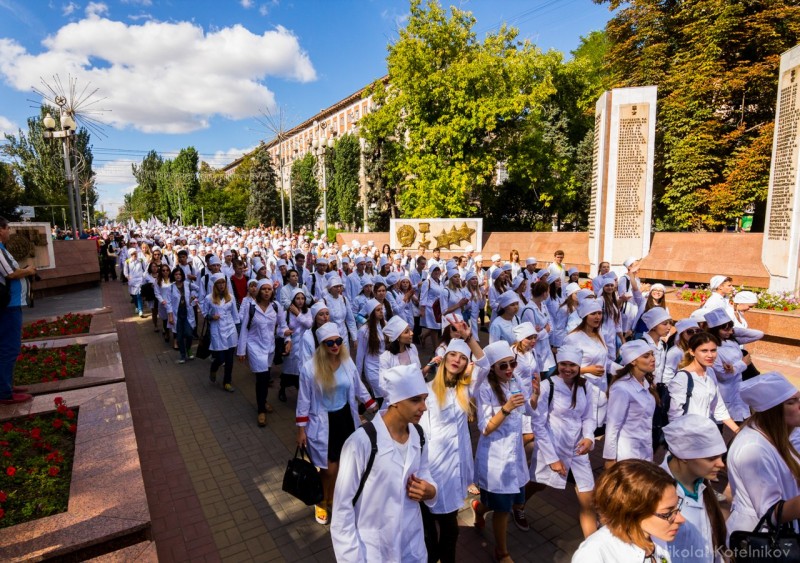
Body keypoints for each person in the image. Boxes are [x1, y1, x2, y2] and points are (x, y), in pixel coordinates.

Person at [331, 364, 438, 563]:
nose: (423, 407)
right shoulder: (361, 443)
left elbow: (424, 472)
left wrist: (430, 491)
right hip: (374, 552)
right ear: (395, 401)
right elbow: (342, 510)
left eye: (424, 399)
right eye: (415, 400)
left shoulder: (418, 435)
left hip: (412, 547)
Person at [297, 322, 377, 526]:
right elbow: (304, 400)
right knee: (328, 468)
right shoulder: (310, 369)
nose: (335, 346)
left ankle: (333, 497)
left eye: (338, 341)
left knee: (343, 464)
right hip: (324, 422)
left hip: (345, 419)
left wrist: (372, 405)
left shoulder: (347, 362)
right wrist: (301, 431)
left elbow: (358, 386)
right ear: (322, 345)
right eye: (330, 342)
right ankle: (321, 501)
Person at [419, 328, 484, 563]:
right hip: (431, 471)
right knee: (429, 532)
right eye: (453, 355)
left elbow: (485, 364)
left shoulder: (465, 390)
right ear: (444, 359)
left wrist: (469, 339)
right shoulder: (426, 391)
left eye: (463, 357)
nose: (457, 360)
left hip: (454, 471)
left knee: (449, 529)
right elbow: (418, 435)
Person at [472, 341, 536, 563]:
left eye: (512, 363)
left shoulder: (515, 380)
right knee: (502, 509)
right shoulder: (485, 389)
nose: (509, 369)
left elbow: (527, 409)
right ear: (491, 368)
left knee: (503, 502)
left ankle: (478, 509)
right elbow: (485, 428)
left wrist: (534, 397)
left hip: (514, 456)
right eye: (503, 366)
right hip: (496, 458)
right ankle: (502, 552)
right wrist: (506, 409)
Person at [528, 345, 597, 538]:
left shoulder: (585, 386)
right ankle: (518, 505)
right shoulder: (547, 386)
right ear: (558, 364)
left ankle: (592, 546)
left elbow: (589, 416)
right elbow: (538, 425)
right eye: (563, 364)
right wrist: (552, 459)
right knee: (538, 483)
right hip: (553, 445)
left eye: (572, 365)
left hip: (578, 448)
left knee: (588, 498)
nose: (567, 369)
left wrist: (589, 437)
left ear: (579, 366)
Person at [726, 372, 800, 541]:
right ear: (773, 412)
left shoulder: (779, 436)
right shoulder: (753, 449)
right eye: (791, 402)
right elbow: (771, 514)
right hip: (757, 540)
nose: (799, 406)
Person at [572, 459, 684, 562]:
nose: (681, 519)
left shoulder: (655, 536)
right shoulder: (593, 555)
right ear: (632, 512)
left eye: (677, 506)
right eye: (667, 512)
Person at [661, 415, 728, 563]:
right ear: (684, 456)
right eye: (711, 458)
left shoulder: (701, 482)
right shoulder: (654, 492)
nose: (721, 464)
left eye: (721, 456)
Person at [237, 279, 292, 427]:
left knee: (265, 377)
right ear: (259, 291)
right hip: (254, 346)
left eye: (269, 289)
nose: (267, 292)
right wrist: (241, 350)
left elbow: (282, 326)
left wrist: (287, 336)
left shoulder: (276, 306)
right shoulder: (251, 307)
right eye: (264, 289)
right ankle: (261, 410)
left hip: (270, 347)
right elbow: (244, 329)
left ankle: (263, 400)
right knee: (261, 378)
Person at [667, 332, 738, 434]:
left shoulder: (710, 372)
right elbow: (674, 415)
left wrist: (738, 431)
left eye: (713, 350)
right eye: (704, 351)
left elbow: (719, 408)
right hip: (687, 437)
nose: (710, 355)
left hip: (706, 434)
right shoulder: (682, 378)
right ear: (692, 351)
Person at [604, 340, 658, 465]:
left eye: (652, 354)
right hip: (627, 453)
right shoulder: (621, 388)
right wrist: (610, 459)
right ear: (633, 361)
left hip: (645, 449)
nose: (652, 359)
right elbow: (613, 425)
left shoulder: (645, 383)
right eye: (646, 356)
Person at [0, 216, 35, 404]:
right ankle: (4, 392)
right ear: (0, 229)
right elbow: (11, 273)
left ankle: (6, 385)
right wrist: (29, 270)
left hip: (10, 304)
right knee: (9, 348)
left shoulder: (3, 249)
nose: (9, 232)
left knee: (7, 347)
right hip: (8, 306)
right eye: (7, 228)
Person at [202, 273, 239, 392]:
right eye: (219, 283)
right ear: (215, 285)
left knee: (229, 359)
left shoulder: (231, 297)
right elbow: (204, 313)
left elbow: (235, 315)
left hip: (230, 329)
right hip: (216, 329)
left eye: (223, 282)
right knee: (220, 358)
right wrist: (212, 317)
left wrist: (238, 330)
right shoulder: (209, 298)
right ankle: (213, 369)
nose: (222, 285)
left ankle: (227, 382)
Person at [279, 287, 312, 402]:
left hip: (304, 346)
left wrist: (298, 314)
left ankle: (302, 393)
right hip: (291, 346)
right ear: (293, 299)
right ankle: (282, 389)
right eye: (297, 298)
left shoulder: (308, 312)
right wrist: (286, 335)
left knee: (302, 371)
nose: (300, 301)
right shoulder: (286, 313)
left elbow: (309, 324)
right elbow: (281, 328)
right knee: (288, 371)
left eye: (302, 298)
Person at [165, 267, 199, 364]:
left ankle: (188, 349)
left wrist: (193, 295)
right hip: (177, 315)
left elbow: (198, 289)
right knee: (179, 337)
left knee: (189, 334)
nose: (178, 276)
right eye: (176, 274)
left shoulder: (188, 285)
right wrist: (170, 316)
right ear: (173, 276)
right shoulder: (170, 288)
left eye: (179, 274)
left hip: (187, 313)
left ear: (182, 275)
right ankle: (183, 355)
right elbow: (169, 303)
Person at [355, 299, 386, 403]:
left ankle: (362, 411)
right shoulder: (364, 330)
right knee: (381, 396)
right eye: (378, 310)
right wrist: (357, 378)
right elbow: (360, 356)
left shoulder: (384, 324)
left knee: (380, 396)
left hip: (384, 366)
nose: (381, 311)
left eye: (381, 309)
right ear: (371, 313)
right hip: (372, 367)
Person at [124, 247, 147, 317]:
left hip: (140, 280)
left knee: (139, 295)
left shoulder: (141, 260)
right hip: (132, 281)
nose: (134, 255)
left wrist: (143, 276)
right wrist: (128, 277)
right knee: (133, 296)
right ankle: (137, 306)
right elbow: (125, 272)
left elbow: (145, 269)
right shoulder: (127, 262)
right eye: (133, 254)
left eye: (135, 253)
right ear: (130, 255)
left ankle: (140, 310)